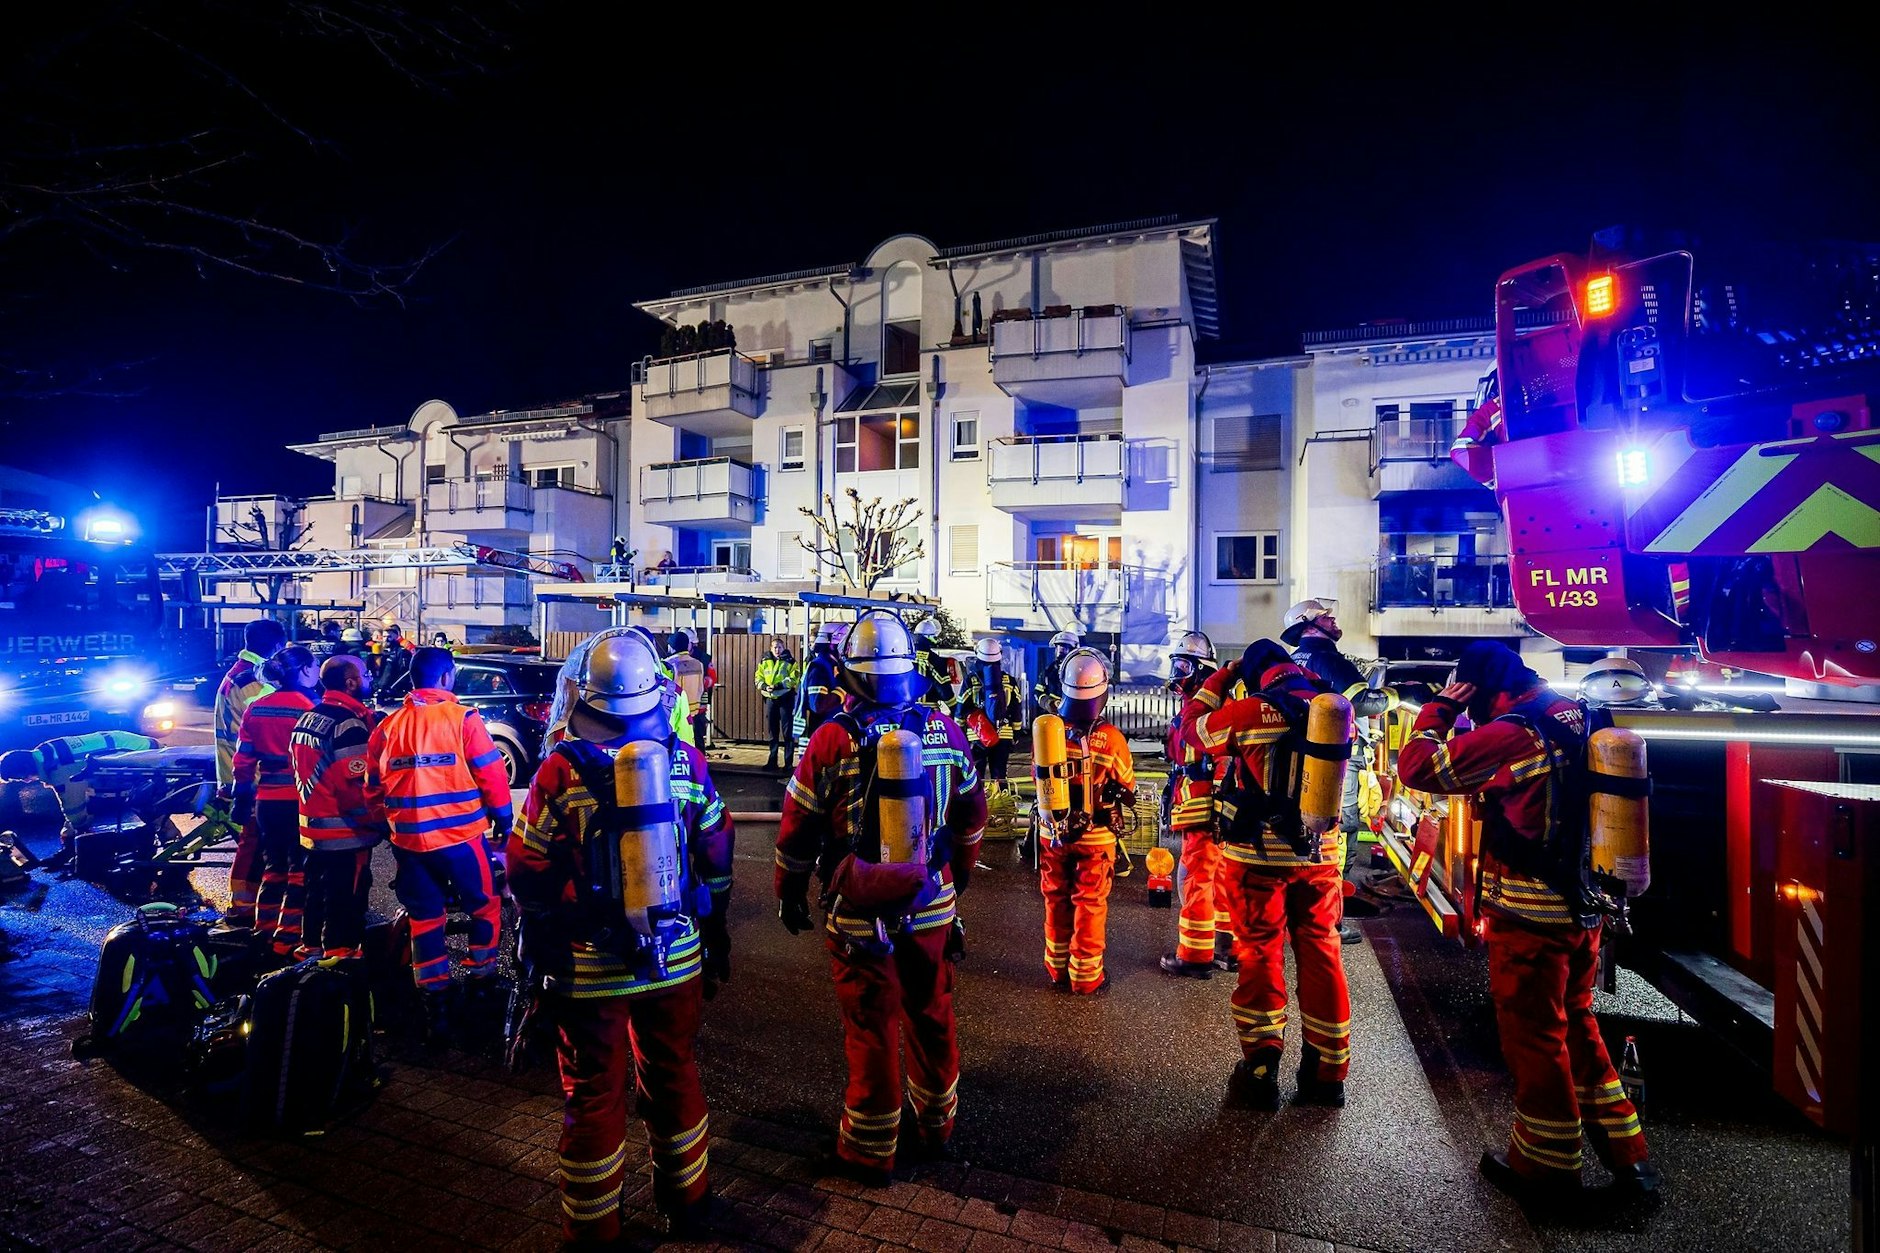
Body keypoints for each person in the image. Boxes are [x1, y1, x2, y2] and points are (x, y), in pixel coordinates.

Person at [1395, 639, 1659, 1203]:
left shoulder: (1512, 732)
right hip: (1585, 907)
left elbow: (1419, 768)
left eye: (1473, 699)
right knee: (1579, 1023)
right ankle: (1627, 1157)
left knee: (1535, 1036)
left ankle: (1545, 1169)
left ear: (1485, 690)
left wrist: (1440, 709)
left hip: (1530, 914)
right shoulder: (1579, 712)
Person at [508, 630, 735, 1243]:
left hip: (590, 969)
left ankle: (594, 1228)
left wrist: (541, 932)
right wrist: (712, 923)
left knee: (593, 1093)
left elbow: (526, 867)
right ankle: (687, 1201)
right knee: (674, 1072)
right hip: (675, 956)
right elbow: (716, 850)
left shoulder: (560, 770)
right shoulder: (686, 761)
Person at [775, 609, 987, 1184]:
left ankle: (868, 1151)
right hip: (933, 906)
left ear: (853, 675)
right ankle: (938, 1127)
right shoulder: (946, 730)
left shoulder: (833, 738)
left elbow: (797, 828)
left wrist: (790, 891)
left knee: (872, 1029)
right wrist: (957, 874)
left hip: (863, 914)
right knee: (932, 1014)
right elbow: (971, 815)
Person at [1181, 643, 1353, 1111]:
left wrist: (1219, 679)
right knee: (1322, 953)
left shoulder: (1250, 710)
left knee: (1259, 954)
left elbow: (1190, 733)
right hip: (1320, 857)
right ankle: (1326, 1076)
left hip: (1257, 860)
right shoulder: (1330, 706)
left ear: (1255, 675)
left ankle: (1260, 1071)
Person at [365, 645, 514, 1044]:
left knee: (425, 918)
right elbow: (491, 774)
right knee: (484, 906)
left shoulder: (388, 725)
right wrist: (503, 817)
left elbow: (372, 788)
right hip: (460, 839)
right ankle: (481, 981)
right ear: (447, 677)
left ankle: (436, 1001)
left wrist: (389, 825)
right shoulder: (462, 718)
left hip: (409, 843)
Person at [1035, 647, 1135, 995]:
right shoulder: (1112, 738)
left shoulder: (1047, 733)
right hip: (1096, 838)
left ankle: (1056, 969)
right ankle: (1086, 976)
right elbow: (1127, 785)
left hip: (1053, 834)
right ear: (1102, 692)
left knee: (1055, 899)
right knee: (1089, 903)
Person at [1282, 598, 1373, 946]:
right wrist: (1398, 696)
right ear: (1310, 625)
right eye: (1326, 616)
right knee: (1341, 830)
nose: (1333, 619)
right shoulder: (1327, 657)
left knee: (1309, 837)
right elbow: (1363, 701)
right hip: (1335, 761)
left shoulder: (1294, 660)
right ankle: (1330, 918)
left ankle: (1304, 911)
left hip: (1304, 762)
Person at [289, 654, 386, 961]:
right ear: (351, 682)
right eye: (365, 676)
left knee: (316, 891)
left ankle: (312, 947)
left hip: (312, 828)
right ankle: (340, 956)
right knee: (346, 896)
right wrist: (379, 823)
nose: (369, 680)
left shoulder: (310, 715)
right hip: (345, 832)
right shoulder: (348, 725)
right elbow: (356, 789)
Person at [231, 646, 320, 958]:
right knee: (300, 872)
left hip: (266, 800)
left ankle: (263, 929)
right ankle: (287, 938)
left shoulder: (257, 708)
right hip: (299, 802)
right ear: (305, 671)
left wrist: (241, 795)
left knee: (273, 866)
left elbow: (242, 761)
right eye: (315, 665)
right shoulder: (311, 708)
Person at [1157, 631, 1235, 979]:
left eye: (1185, 665)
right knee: (1219, 876)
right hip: (1199, 800)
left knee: (1197, 877)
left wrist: (1219, 805)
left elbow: (1225, 760)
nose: (1178, 673)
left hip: (1206, 805)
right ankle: (1226, 949)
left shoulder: (1218, 707)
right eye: (1176, 664)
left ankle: (1194, 955)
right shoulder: (1195, 705)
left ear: (1205, 671)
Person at [215, 617, 287, 927]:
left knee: (256, 841)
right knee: (254, 842)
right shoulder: (252, 681)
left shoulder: (241, 674)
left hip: (240, 770)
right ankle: (244, 907)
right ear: (276, 646)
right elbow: (269, 727)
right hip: (254, 776)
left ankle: (249, 902)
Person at [0, 730, 161, 869]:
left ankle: (170, 841)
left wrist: (79, 838)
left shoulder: (59, 770)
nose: (26, 781)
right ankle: (167, 838)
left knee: (142, 799)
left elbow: (74, 810)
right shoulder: (46, 752)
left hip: (144, 756)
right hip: (136, 746)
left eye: (21, 777)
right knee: (133, 797)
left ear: (26, 768)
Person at [957, 637, 1022, 792]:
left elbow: (960, 709)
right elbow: (1016, 709)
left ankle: (975, 807)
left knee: (975, 774)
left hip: (978, 736)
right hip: (1003, 735)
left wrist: (960, 734)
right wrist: (1016, 733)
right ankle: (1002, 809)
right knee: (999, 774)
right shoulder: (1009, 680)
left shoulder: (971, 680)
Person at [792, 622, 846, 744]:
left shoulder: (832, 664)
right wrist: (843, 689)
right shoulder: (819, 666)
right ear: (832, 643)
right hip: (818, 736)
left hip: (828, 731)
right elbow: (818, 705)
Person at [755, 636, 800, 771]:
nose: (777, 650)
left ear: (783, 648)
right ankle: (772, 761)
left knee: (788, 733)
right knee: (772, 732)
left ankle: (788, 764)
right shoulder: (764, 661)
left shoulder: (791, 661)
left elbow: (794, 678)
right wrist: (764, 686)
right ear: (771, 648)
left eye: (779, 647)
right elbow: (758, 677)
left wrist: (778, 685)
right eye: (775, 647)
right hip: (770, 699)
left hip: (785, 699)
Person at [1030, 628, 1082, 723]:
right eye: (1058, 648)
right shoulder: (1049, 671)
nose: (1060, 652)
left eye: (1064, 648)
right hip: (1052, 719)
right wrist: (1048, 703)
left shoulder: (1081, 670)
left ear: (1074, 649)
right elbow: (1037, 692)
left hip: (1075, 719)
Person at [911, 617, 957, 716]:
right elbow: (942, 686)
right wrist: (955, 709)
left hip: (904, 708)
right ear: (929, 636)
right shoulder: (933, 659)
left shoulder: (904, 654)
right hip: (928, 711)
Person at [376, 624, 413, 692]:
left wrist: (394, 689)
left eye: (389, 636)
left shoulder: (402, 652)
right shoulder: (382, 653)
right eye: (384, 636)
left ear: (396, 637)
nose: (386, 639)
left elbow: (404, 674)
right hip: (381, 689)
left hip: (394, 692)